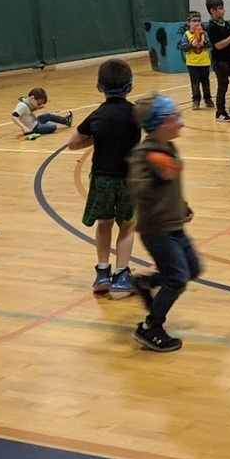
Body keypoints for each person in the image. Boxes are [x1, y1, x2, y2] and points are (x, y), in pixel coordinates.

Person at [127, 94, 200, 352]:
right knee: (178, 277)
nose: (181, 123)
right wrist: (156, 174)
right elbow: (137, 188)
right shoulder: (143, 154)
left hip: (174, 224)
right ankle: (150, 327)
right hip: (157, 229)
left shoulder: (169, 147)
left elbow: (172, 186)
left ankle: (146, 283)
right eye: (174, 118)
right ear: (159, 124)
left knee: (192, 269)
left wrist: (183, 206)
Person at [67, 59, 140, 297]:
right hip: (129, 178)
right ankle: (121, 275)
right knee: (127, 226)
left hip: (101, 177)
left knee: (104, 223)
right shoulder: (136, 114)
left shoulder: (96, 115)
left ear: (99, 87)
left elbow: (73, 144)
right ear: (131, 86)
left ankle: (102, 272)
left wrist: (95, 138)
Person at [180, 10, 213, 109]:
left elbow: (210, 44)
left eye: (199, 21)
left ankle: (207, 98)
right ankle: (196, 100)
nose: (197, 23)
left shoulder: (204, 33)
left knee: (205, 82)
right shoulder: (186, 34)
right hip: (192, 63)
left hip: (204, 62)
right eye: (194, 21)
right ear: (188, 22)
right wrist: (191, 45)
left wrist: (204, 44)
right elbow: (184, 48)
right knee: (195, 82)